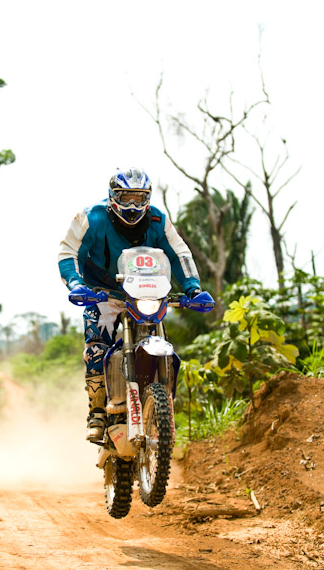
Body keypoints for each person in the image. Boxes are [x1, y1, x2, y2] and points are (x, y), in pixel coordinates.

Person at [58, 167, 202, 441]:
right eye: (126, 198)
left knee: (162, 333)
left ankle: (163, 408)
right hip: (102, 294)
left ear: (148, 197)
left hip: (147, 293)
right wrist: (76, 284)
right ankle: (97, 411)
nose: (133, 205)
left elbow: (179, 254)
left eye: (139, 198)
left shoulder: (159, 220)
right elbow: (68, 251)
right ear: (113, 197)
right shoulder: (91, 217)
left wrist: (193, 288)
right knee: (97, 346)